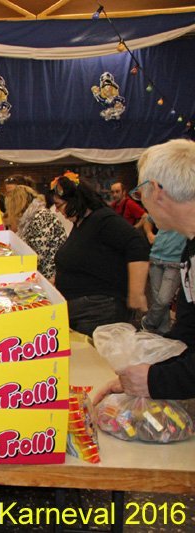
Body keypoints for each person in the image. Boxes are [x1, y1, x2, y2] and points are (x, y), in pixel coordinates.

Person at [96, 139, 195, 401]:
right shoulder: (190, 246)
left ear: (156, 191)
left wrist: (154, 380)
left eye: (140, 194)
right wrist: (147, 372)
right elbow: (188, 333)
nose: (142, 204)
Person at [51, 171, 149, 337]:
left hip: (100, 310)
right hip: (84, 308)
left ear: (74, 200)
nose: (58, 211)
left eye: (60, 205)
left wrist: (136, 293)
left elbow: (136, 244)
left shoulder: (103, 219)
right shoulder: (81, 223)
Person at [4, 185, 66, 280]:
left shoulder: (41, 218)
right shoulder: (33, 218)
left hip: (51, 279)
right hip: (48, 276)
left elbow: (38, 257)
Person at [140, 223, 186, 335]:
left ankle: (148, 322)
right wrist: (149, 234)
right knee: (158, 299)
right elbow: (147, 219)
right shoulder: (165, 210)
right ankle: (163, 331)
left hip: (175, 261)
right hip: (155, 256)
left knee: (163, 300)